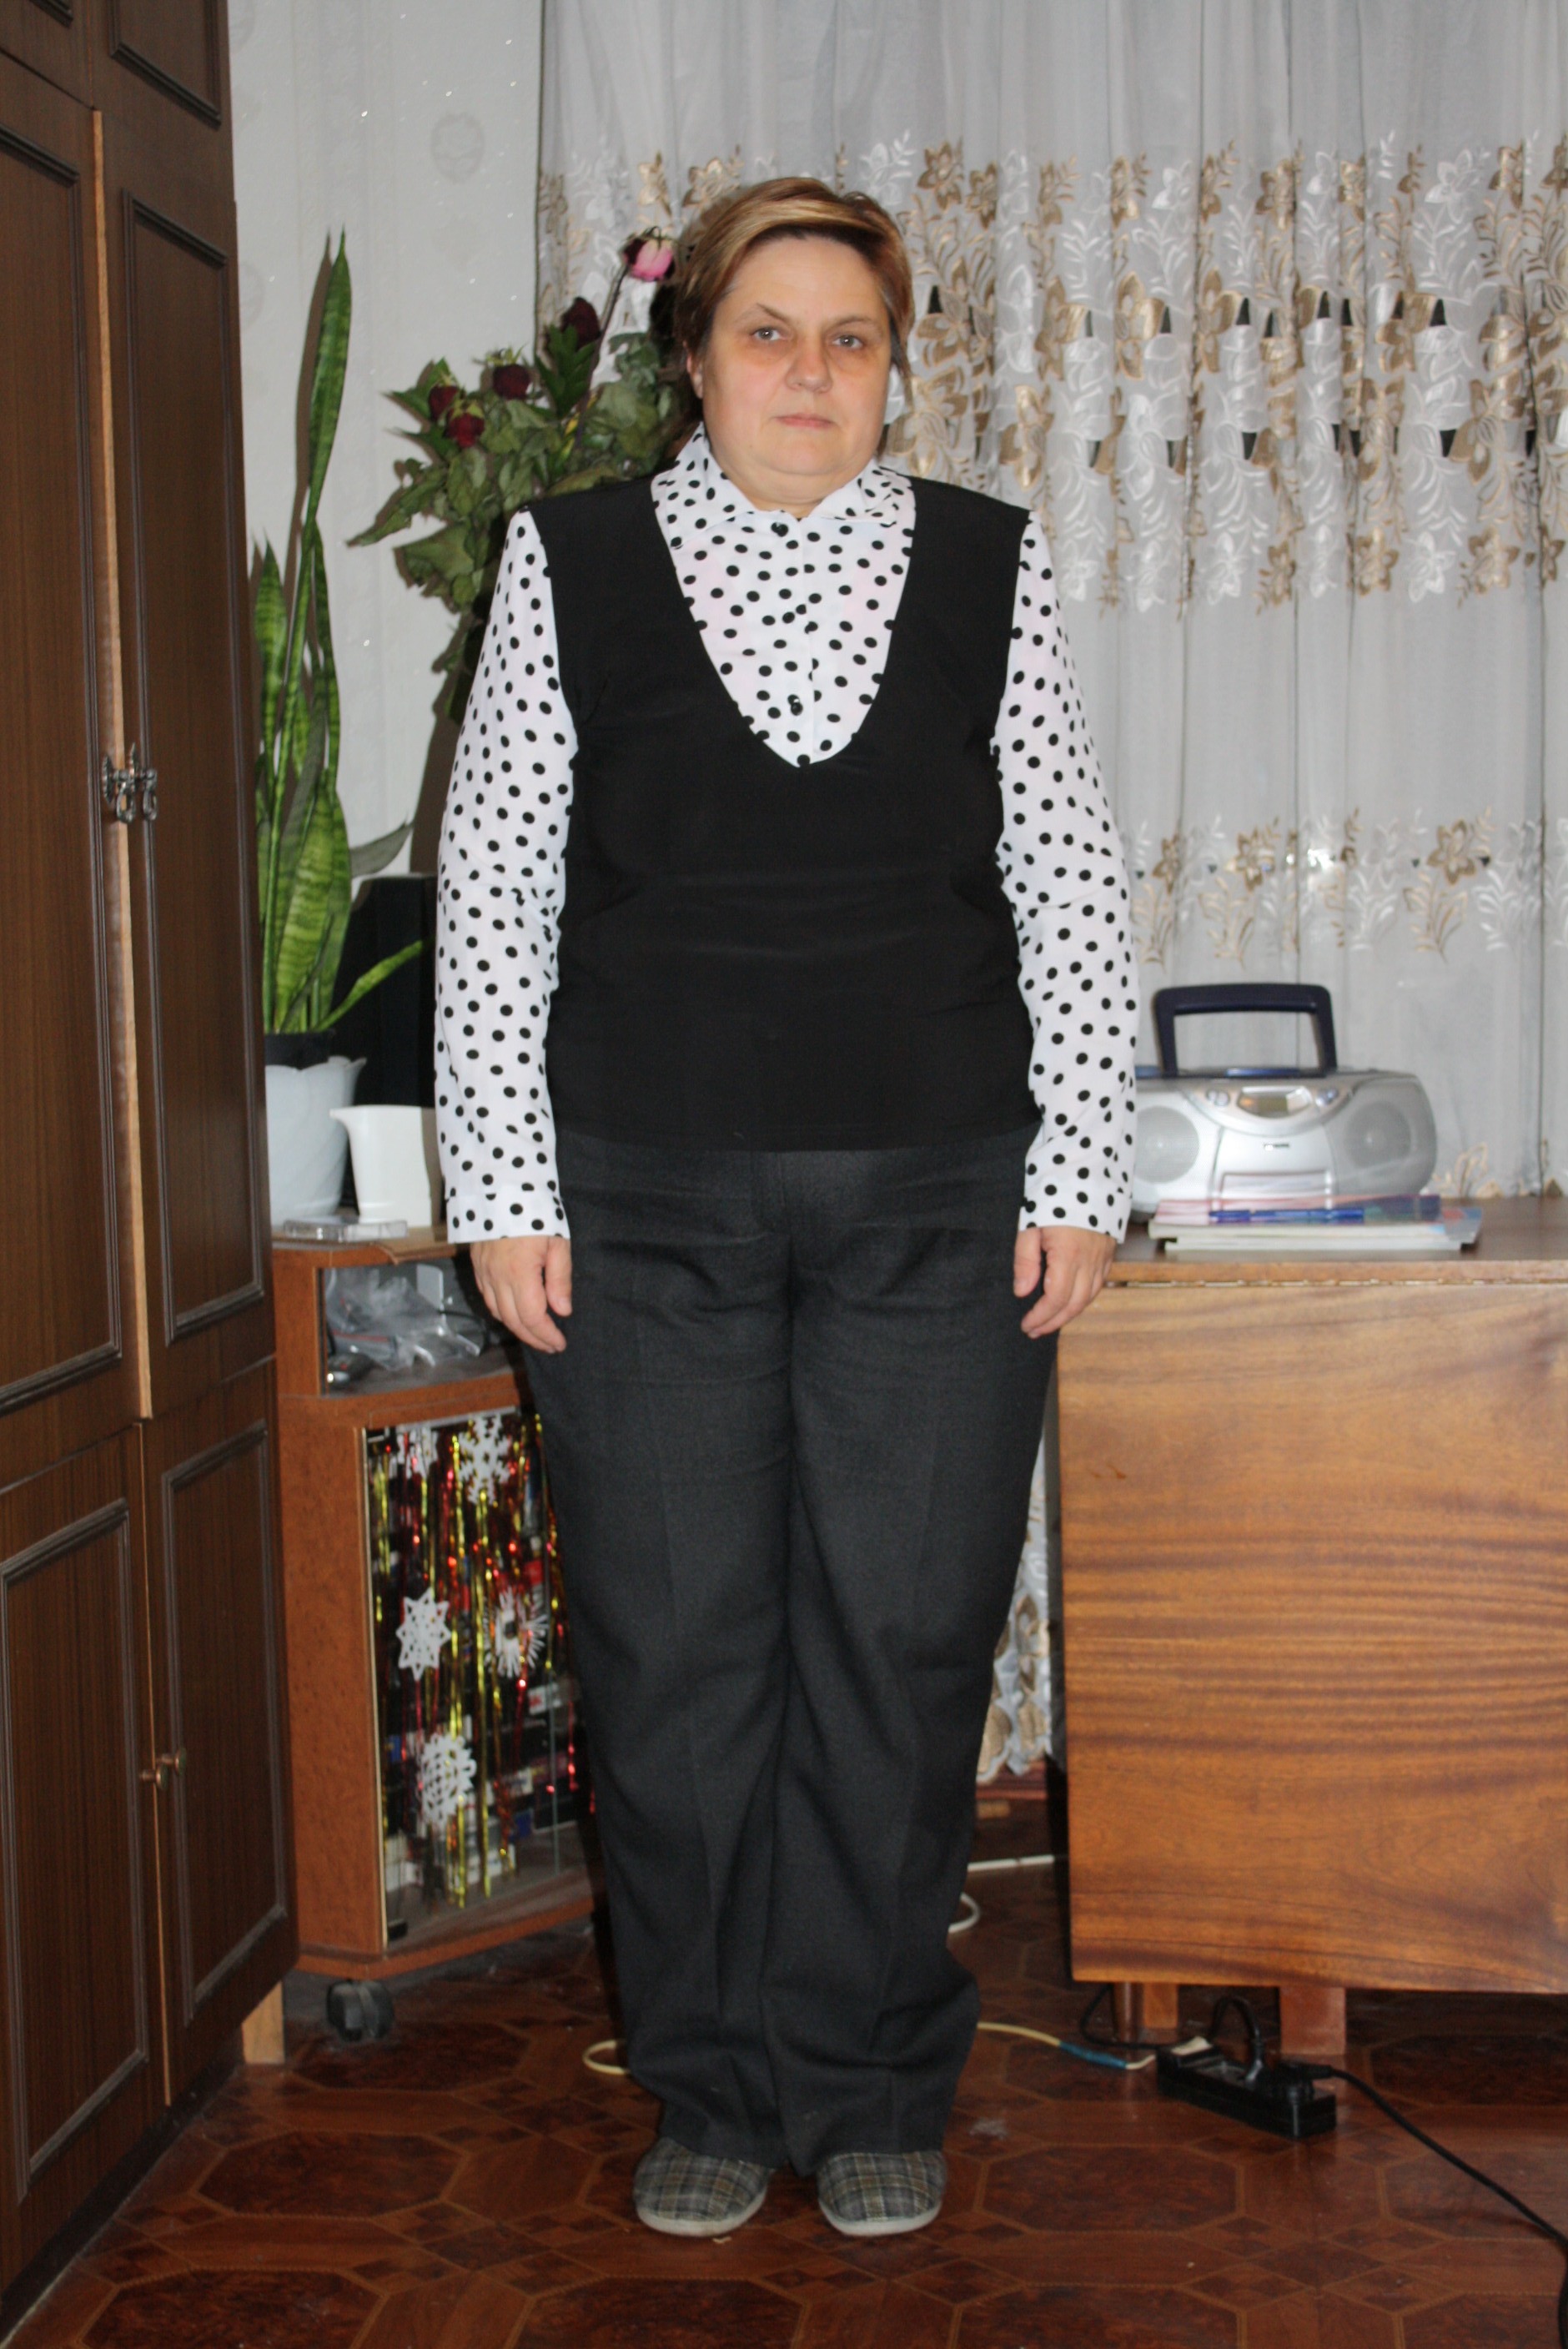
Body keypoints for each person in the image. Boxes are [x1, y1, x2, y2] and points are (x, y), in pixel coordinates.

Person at [435, 177, 1137, 2243]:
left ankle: (869, 2072)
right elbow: (496, 890)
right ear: (695, 357)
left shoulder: (988, 565)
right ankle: (716, 2083)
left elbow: (1069, 878)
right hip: (642, 1211)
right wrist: (505, 1186)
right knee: (675, 1660)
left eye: (848, 337)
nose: (809, 371)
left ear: (891, 366)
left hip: (942, 1207)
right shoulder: (567, 563)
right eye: (768, 331)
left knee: (899, 1651)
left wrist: (1080, 1167)